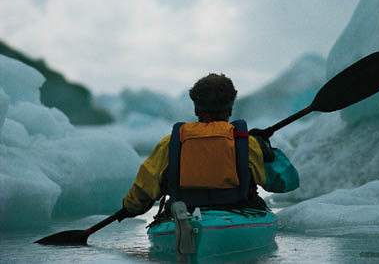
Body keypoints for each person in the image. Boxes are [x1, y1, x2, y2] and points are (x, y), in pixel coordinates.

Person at [116, 73, 299, 222]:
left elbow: (144, 188)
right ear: (230, 110)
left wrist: (129, 208)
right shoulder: (246, 142)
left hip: (184, 213)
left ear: (196, 109)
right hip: (240, 213)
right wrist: (264, 148)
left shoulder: (172, 142)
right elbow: (285, 182)